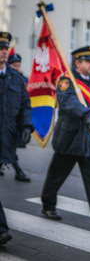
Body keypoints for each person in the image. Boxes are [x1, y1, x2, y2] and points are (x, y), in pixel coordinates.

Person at [40, 46, 90, 227]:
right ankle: (48, 205)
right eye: (88, 61)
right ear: (77, 63)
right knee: (56, 175)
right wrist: (86, 114)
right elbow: (68, 103)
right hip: (70, 137)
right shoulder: (67, 81)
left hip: (88, 138)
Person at [0, 32, 33, 181]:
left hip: (7, 135)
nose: (5, 51)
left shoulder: (16, 78)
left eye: (6, 48)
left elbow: (25, 105)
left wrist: (26, 126)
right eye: (1, 48)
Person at [6, 52, 31, 182]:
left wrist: (27, 126)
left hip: (15, 122)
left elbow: (25, 103)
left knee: (9, 147)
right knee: (8, 147)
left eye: (19, 65)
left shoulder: (21, 80)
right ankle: (19, 171)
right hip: (5, 121)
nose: (17, 68)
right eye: (14, 65)